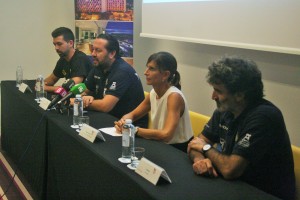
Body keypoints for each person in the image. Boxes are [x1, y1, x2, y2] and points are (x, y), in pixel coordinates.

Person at [187, 56, 295, 200]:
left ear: (239, 95)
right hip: (233, 188)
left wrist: (206, 148)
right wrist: (200, 161)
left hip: (262, 193)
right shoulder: (224, 110)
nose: (213, 96)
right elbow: (194, 145)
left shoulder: (264, 116)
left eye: (218, 91)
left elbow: (229, 169)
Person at [115, 52, 193, 152]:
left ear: (165, 75)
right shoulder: (153, 93)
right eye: (147, 67)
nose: (145, 72)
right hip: (161, 144)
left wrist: (134, 130)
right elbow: (132, 115)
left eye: (151, 69)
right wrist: (124, 121)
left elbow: (166, 135)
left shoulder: (174, 96)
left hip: (178, 150)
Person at [80, 34, 148, 128]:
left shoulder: (122, 71)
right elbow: (83, 91)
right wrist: (85, 97)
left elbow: (105, 106)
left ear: (112, 53)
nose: (93, 54)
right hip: (108, 120)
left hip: (130, 128)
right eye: (93, 49)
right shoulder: (99, 66)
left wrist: (80, 102)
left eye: (98, 50)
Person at [44, 27, 93, 92]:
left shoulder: (80, 59)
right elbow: (52, 80)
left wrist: (46, 88)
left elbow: (71, 88)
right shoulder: (62, 60)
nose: (56, 48)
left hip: (86, 99)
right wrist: (40, 84)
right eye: (54, 44)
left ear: (70, 43)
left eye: (59, 44)